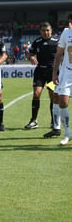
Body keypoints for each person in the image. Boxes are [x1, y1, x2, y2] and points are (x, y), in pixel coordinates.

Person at [24, 22, 58, 130]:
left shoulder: (56, 42)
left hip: (52, 72)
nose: (46, 32)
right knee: (36, 94)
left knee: (52, 96)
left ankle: (53, 121)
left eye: (47, 30)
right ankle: (33, 120)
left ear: (51, 31)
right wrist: (31, 57)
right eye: (43, 30)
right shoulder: (37, 42)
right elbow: (29, 53)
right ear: (40, 31)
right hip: (40, 71)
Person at [50, 14, 72, 145]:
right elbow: (58, 55)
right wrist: (54, 73)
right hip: (67, 74)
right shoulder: (66, 33)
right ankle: (67, 133)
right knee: (62, 102)